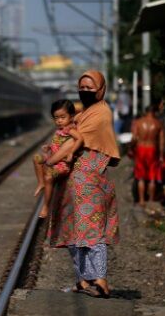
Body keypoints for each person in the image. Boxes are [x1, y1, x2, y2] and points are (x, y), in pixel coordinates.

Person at [47, 70, 120, 299]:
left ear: (101, 89)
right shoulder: (84, 113)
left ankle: (100, 280)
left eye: (90, 88)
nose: (85, 91)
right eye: (82, 87)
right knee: (74, 234)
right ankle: (83, 280)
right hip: (74, 183)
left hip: (89, 182)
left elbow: (71, 144)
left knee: (92, 232)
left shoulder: (100, 114)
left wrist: (51, 160)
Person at [33, 100, 84, 218]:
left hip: (63, 165)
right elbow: (59, 144)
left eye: (62, 117)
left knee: (49, 176)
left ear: (71, 117)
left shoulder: (69, 129)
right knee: (36, 158)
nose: (59, 121)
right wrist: (49, 147)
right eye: (56, 118)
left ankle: (45, 206)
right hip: (53, 158)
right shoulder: (60, 130)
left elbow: (80, 139)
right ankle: (41, 183)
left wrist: (71, 152)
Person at [131, 104, 165, 206]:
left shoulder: (138, 122)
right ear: (154, 112)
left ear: (145, 112)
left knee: (140, 177)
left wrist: (131, 149)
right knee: (152, 176)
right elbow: (162, 142)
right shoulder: (158, 124)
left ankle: (141, 200)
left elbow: (134, 139)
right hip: (152, 149)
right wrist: (161, 156)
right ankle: (150, 200)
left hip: (140, 149)